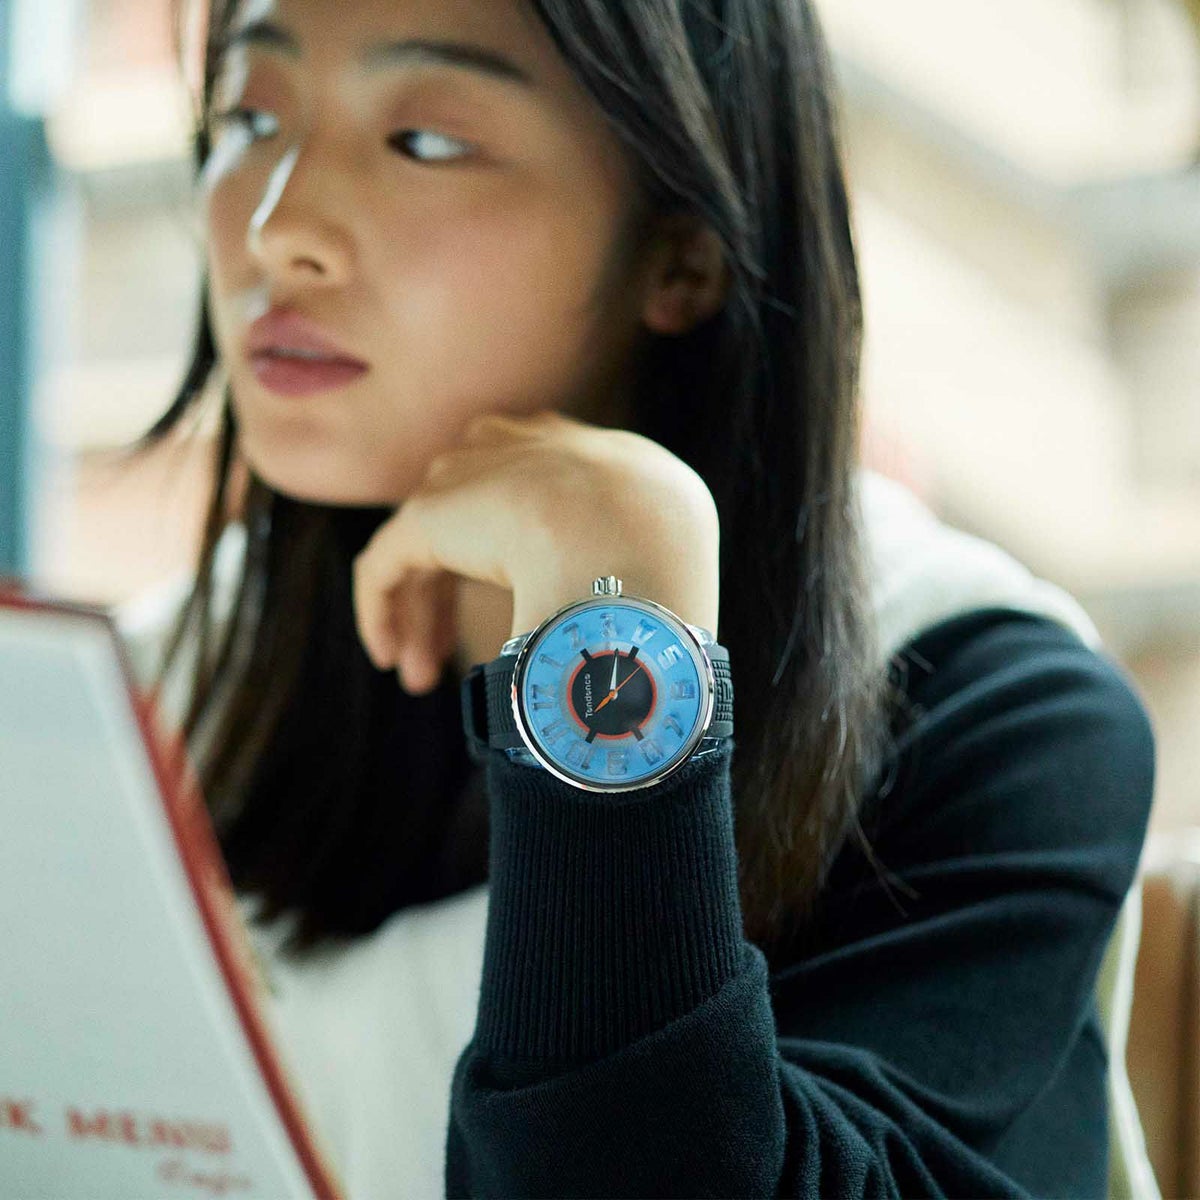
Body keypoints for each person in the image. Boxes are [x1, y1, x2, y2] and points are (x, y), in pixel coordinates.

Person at [112, 0, 1158, 1195]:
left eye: (426, 141)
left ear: (681, 254)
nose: (276, 227)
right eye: (251, 117)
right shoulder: (148, 701)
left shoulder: (989, 712)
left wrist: (610, 611)